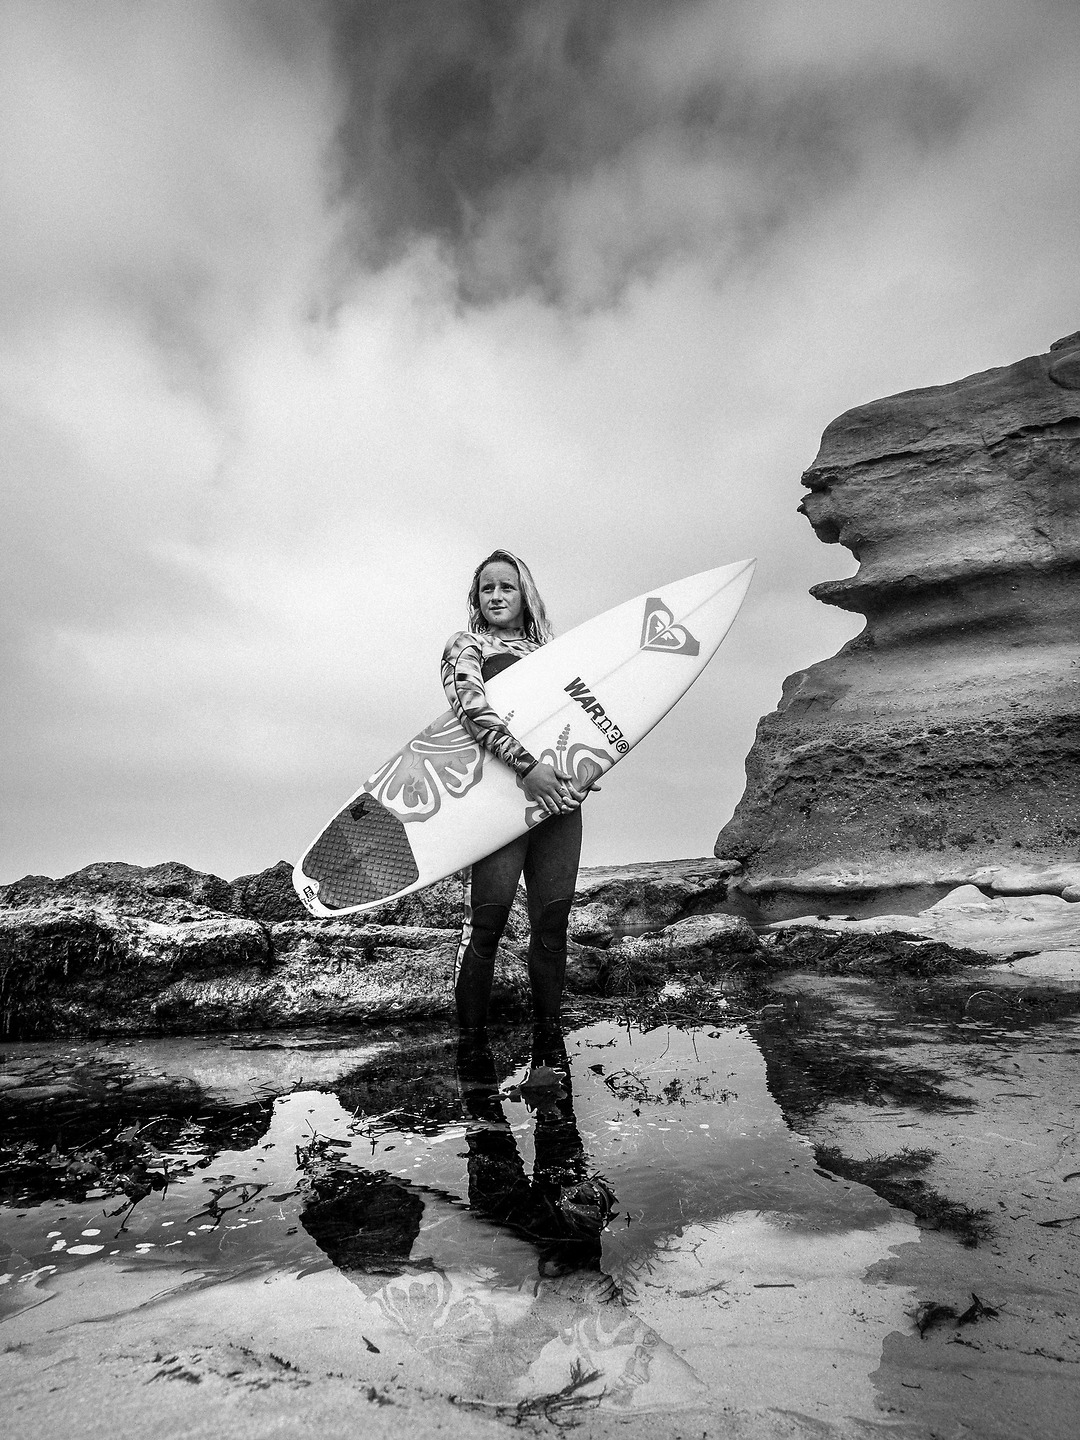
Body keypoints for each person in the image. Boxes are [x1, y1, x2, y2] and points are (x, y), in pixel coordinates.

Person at [442, 550, 593, 1031]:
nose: (496, 596)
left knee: (552, 928)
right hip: (498, 798)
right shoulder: (467, 646)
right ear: (476, 599)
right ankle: (472, 1054)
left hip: (557, 804)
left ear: (524, 595)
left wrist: (582, 776)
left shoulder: (553, 655)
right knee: (486, 927)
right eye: (487, 588)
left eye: (506, 587)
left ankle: (550, 1044)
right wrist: (527, 767)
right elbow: (470, 710)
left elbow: (583, 724)